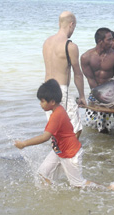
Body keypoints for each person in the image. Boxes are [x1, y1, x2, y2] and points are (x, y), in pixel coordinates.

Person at [14, 79, 101, 188]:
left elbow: (45, 137)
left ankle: (108, 188)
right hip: (59, 150)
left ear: (52, 102)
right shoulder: (57, 110)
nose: (40, 104)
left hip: (70, 153)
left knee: (78, 184)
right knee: (41, 175)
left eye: (42, 101)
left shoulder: (56, 116)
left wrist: (24, 144)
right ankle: (52, 196)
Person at [43, 11, 86, 139]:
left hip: (45, 90)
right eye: (74, 27)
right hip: (60, 91)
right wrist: (82, 96)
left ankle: (57, 155)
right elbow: (77, 74)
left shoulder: (47, 42)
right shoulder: (70, 46)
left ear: (59, 23)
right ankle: (67, 157)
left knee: (55, 129)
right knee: (75, 129)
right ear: (71, 24)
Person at [81, 27, 114, 133]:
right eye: (109, 39)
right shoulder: (86, 57)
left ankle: (109, 147)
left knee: (105, 129)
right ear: (100, 41)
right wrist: (98, 96)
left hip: (110, 95)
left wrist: (111, 98)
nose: (112, 42)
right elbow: (90, 78)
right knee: (90, 126)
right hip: (94, 93)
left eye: (112, 39)